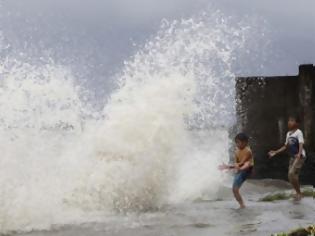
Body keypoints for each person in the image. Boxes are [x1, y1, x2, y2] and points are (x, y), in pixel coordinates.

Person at [268, 115, 306, 201]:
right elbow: (286, 146)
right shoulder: (288, 133)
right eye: (289, 120)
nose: (289, 122)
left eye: (292, 121)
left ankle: (299, 193)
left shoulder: (298, 132)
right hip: (293, 157)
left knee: (292, 173)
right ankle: (297, 192)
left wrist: (299, 155)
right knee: (290, 175)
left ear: (297, 123)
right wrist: (275, 152)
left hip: (300, 156)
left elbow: (301, 144)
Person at [219, 133, 254, 209]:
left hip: (247, 169)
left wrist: (236, 167)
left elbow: (242, 162)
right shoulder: (237, 151)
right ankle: (242, 205)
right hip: (240, 170)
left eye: (240, 142)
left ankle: (242, 205)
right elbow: (236, 163)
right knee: (234, 190)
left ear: (245, 142)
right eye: (237, 142)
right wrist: (227, 167)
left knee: (247, 163)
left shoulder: (248, 151)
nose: (238, 144)